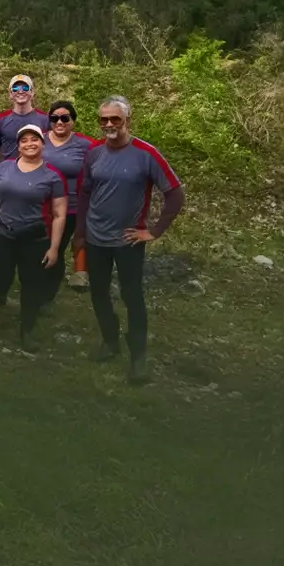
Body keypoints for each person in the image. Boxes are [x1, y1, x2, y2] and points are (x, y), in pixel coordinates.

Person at [75, 96, 185, 384]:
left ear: (128, 120)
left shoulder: (146, 154)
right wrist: (80, 232)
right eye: (104, 120)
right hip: (96, 238)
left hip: (128, 240)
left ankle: (138, 358)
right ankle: (110, 343)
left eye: (115, 119)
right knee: (98, 293)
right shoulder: (94, 152)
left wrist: (155, 230)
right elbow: (84, 193)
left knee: (132, 296)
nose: (109, 124)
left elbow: (175, 193)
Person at [0, 125, 67, 350]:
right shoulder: (3, 168)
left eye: (34, 140)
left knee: (31, 286)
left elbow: (59, 214)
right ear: (18, 146)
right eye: (24, 140)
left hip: (34, 238)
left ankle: (27, 331)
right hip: (3, 233)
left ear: (42, 143)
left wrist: (54, 248)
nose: (29, 144)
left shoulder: (53, 176)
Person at [39, 100, 99, 304]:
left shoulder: (85, 145)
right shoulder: (39, 140)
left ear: (73, 120)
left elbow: (98, 173)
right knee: (37, 249)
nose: (60, 122)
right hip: (38, 206)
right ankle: (33, 291)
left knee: (55, 248)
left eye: (65, 118)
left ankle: (46, 297)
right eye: (55, 118)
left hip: (71, 207)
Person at [0, 75, 50, 159]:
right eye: (15, 88)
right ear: (10, 94)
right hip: (8, 170)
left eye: (25, 88)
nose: (20, 91)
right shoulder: (0, 120)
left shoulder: (45, 119)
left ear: (32, 92)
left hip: (37, 169)